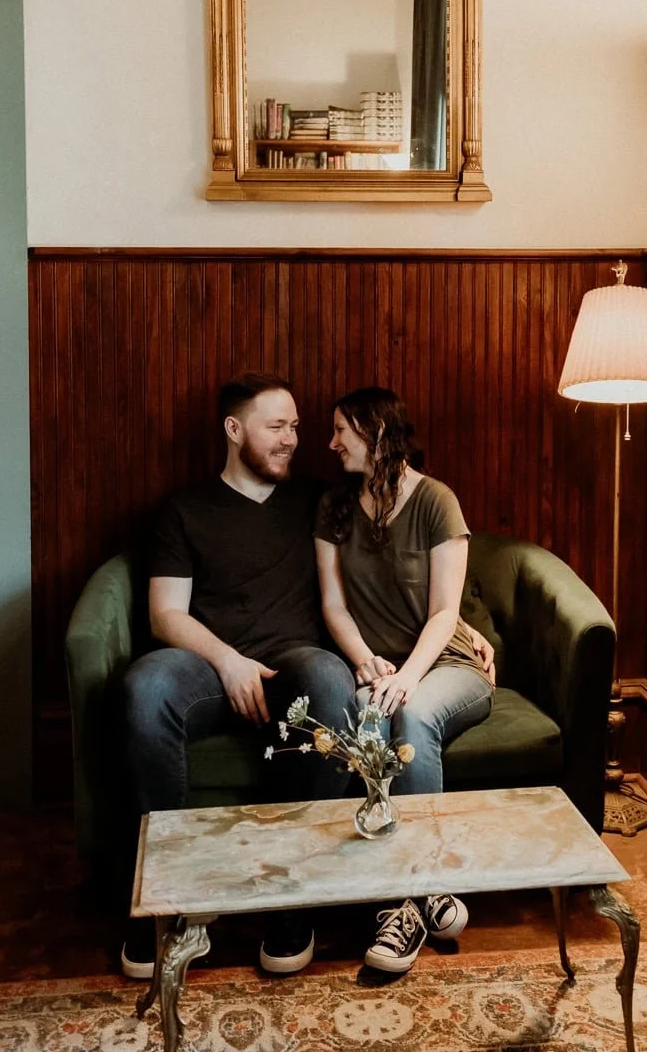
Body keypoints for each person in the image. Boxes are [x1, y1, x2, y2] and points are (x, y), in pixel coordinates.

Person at [123, 373, 357, 980]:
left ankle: (290, 896)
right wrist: (226, 660)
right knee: (145, 685)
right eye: (276, 427)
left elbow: (402, 539)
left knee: (331, 682)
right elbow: (165, 614)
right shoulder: (184, 509)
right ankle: (168, 898)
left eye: (297, 427)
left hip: (293, 667)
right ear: (234, 430)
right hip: (206, 667)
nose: (292, 439)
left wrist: (457, 626)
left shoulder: (317, 500)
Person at [315, 386, 495, 975]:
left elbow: (445, 612)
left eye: (342, 430)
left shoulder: (437, 501)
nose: (332, 442)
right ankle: (415, 900)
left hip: (445, 664)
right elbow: (334, 606)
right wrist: (366, 662)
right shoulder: (334, 506)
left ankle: (417, 889)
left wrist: (408, 680)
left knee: (411, 716)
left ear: (376, 434)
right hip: (382, 665)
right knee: (367, 719)